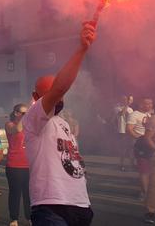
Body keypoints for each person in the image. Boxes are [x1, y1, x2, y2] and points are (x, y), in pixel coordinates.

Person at [22, 21, 96, 226]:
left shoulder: (63, 123)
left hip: (80, 206)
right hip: (51, 207)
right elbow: (60, 88)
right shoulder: (33, 118)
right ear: (36, 97)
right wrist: (81, 50)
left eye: (60, 94)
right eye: (51, 92)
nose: (58, 97)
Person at [5, 104, 31, 226]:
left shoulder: (29, 125)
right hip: (14, 165)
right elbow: (17, 130)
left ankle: (29, 217)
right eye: (23, 113)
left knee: (29, 193)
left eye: (27, 113)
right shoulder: (10, 125)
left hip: (29, 165)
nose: (26, 115)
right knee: (15, 192)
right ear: (16, 113)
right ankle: (14, 219)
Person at [128, 98, 154, 199]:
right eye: (147, 103)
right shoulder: (134, 114)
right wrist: (140, 140)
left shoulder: (151, 115)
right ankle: (145, 193)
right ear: (140, 104)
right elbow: (129, 129)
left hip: (152, 145)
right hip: (141, 146)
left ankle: (147, 190)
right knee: (144, 170)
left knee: (152, 169)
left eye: (151, 103)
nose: (149, 105)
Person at [114, 96, 134, 171]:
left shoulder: (131, 109)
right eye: (123, 99)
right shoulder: (117, 108)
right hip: (121, 131)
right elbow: (122, 114)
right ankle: (121, 164)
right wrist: (127, 105)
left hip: (129, 131)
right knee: (123, 148)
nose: (125, 100)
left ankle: (131, 164)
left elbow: (131, 119)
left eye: (126, 99)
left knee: (131, 148)